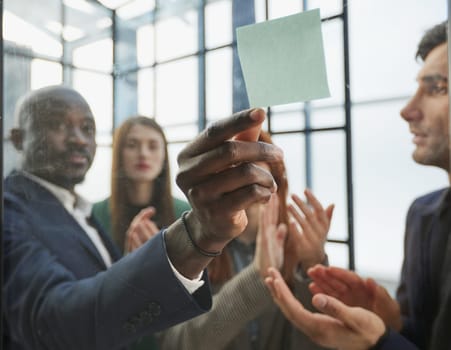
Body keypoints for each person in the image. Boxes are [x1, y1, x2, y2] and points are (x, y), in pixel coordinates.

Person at [3, 85, 283, 350]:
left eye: (87, 128)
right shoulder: (13, 212)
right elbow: (57, 321)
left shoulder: (78, 212)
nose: (78, 138)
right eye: (57, 125)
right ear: (17, 138)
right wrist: (190, 239)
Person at [265, 20, 449, 350]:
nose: (407, 111)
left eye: (438, 89)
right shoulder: (422, 216)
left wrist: (379, 342)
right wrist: (388, 320)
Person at [157, 131, 334, 350]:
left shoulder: (297, 251)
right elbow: (177, 344)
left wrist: (312, 267)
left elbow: (319, 342)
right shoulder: (193, 250)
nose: (250, 193)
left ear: (278, 191)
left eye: (261, 181)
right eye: (239, 179)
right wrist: (257, 276)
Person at [92, 116, 190, 254]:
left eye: (153, 146)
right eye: (132, 145)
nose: (143, 154)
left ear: (164, 155)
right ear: (119, 153)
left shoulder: (186, 215)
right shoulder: (95, 215)